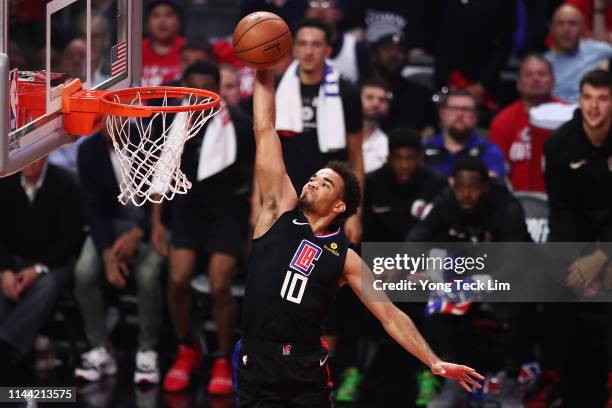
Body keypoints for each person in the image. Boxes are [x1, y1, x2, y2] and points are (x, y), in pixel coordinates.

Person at [235, 67, 484, 407]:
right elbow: (264, 129)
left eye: (325, 183)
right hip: (257, 362)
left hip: (305, 367)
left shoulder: (345, 257)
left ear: (339, 204)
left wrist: (433, 361)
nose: (312, 182)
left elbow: (390, 315)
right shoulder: (279, 211)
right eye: (313, 177)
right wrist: (263, 70)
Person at [154, 61, 254, 395]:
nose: (198, 96)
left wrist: (254, 218)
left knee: (219, 284)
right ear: (185, 87)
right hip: (186, 208)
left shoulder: (239, 124)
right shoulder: (172, 122)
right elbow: (162, 172)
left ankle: (223, 358)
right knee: (178, 279)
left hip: (226, 210)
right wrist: (156, 223)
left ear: (215, 90)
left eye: (205, 89)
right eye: (191, 88)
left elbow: (256, 174)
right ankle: (187, 348)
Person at [408, 157, 531, 408]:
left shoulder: (506, 207)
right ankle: (453, 383)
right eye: (460, 187)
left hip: (508, 274)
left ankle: (510, 381)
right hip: (466, 274)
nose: (466, 194)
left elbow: (520, 260)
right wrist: (415, 266)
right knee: (437, 299)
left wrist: (486, 281)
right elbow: (418, 236)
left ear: (485, 186)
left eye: (473, 187)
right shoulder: (446, 202)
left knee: (524, 299)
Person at [73, 125, 164, 385]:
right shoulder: (88, 151)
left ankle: (148, 350)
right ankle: (101, 346)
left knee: (148, 274)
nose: (108, 130)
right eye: (103, 124)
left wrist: (137, 234)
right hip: (110, 227)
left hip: (151, 226)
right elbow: (94, 209)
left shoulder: (149, 139)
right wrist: (107, 255)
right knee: (84, 271)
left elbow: (161, 198)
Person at [543, 69, 612, 406]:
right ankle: (560, 384)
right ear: (579, 100)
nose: (594, 107)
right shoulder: (559, 144)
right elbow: (561, 211)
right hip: (578, 240)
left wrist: (599, 255)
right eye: (588, 98)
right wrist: (572, 260)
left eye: (602, 98)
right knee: (555, 289)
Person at [273, 19, 364, 244]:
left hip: (329, 198)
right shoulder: (277, 88)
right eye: (302, 44)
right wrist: (259, 201)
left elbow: (356, 158)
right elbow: (265, 150)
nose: (308, 51)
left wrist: (355, 214)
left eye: (316, 44)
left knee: (325, 275)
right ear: (293, 49)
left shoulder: (348, 93)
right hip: (287, 193)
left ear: (327, 50)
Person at [0, 158, 82, 373]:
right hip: (16, 259)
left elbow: (71, 238)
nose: (31, 163)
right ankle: (12, 350)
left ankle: (7, 345)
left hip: (54, 262)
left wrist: (38, 269)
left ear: (45, 156)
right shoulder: (6, 182)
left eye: (37, 157)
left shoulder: (65, 183)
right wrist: (5, 271)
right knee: (4, 284)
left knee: (47, 285)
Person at [489, 54, 564, 192]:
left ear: (553, 81)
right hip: (517, 201)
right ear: (518, 83)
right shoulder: (503, 120)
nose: (535, 79)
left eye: (541, 74)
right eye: (529, 75)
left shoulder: (569, 115)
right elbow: (496, 171)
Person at [363, 127, 447, 242]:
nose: (404, 165)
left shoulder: (437, 183)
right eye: (399, 158)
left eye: (410, 158)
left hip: (423, 255)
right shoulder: (371, 183)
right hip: (380, 254)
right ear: (389, 159)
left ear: (420, 159)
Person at [431, 0, 516, 112]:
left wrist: (482, 84)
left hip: (482, 85)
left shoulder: (502, 4)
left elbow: (504, 46)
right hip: (444, 81)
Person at [423, 89, 505, 178]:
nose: (459, 114)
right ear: (442, 114)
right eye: (453, 109)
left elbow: (492, 179)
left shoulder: (489, 151)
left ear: (476, 117)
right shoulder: (423, 149)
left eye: (466, 109)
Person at [368, 32, 435, 133]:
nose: (393, 55)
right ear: (374, 55)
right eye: (388, 49)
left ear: (407, 58)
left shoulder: (420, 94)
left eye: (399, 51)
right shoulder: (361, 91)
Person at [545, 4, 612, 103]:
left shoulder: (600, 51)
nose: (566, 29)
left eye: (572, 24)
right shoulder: (543, 64)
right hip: (558, 115)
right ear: (551, 30)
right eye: (560, 24)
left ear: (583, 29)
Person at [304, 0, 370, 84]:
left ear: (339, 13)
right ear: (306, 12)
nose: (320, 10)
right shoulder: (292, 44)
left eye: (326, 5)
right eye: (314, 4)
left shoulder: (356, 48)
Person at [142, 0, 185, 86]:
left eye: (169, 15)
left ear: (178, 22)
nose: (162, 20)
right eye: (156, 15)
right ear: (147, 23)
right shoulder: (135, 51)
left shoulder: (188, 49)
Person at [360, 79, 391, 174]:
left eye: (382, 100)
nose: (376, 104)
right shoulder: (336, 136)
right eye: (369, 97)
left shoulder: (386, 145)